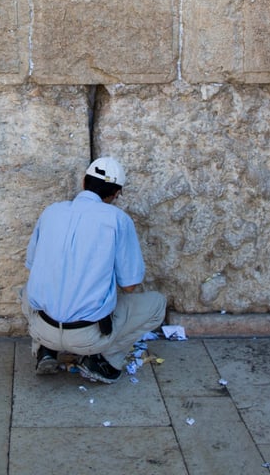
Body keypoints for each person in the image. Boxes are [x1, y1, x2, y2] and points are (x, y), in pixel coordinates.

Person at [22, 156, 168, 384]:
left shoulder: (51, 212)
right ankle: (104, 361)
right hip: (87, 338)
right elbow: (129, 286)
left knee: (25, 291)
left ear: (84, 182)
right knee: (157, 304)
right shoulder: (118, 220)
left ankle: (45, 349)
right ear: (116, 193)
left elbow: (31, 265)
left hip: (42, 328)